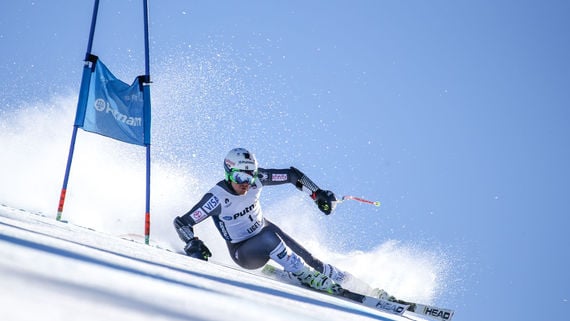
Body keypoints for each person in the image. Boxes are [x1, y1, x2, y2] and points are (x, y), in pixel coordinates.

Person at [173, 147, 347, 293]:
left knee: (307, 257)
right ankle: (304, 274)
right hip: (243, 252)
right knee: (269, 239)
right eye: (240, 177)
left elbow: (292, 176)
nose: (246, 184)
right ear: (228, 173)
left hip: (265, 229)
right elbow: (182, 223)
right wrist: (192, 242)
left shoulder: (258, 179)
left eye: (250, 177)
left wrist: (317, 194)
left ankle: (343, 279)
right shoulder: (216, 198)